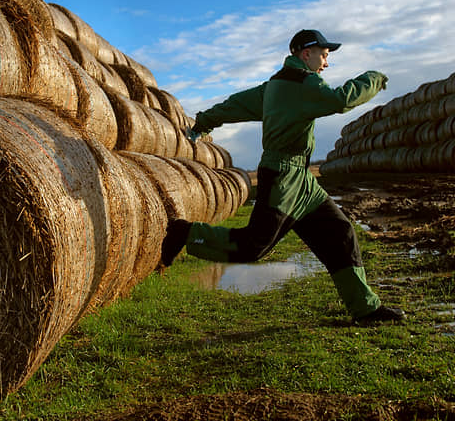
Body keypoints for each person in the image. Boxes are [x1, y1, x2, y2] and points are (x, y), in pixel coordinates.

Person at [161, 29, 405, 324]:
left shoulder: (275, 85)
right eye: (324, 55)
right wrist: (374, 78)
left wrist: (204, 122)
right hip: (283, 176)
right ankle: (185, 233)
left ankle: (365, 308)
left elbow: (236, 104)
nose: (326, 63)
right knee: (254, 245)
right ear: (306, 54)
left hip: (301, 179)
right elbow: (341, 100)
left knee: (341, 232)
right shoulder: (304, 83)